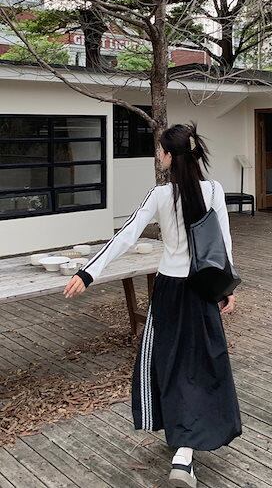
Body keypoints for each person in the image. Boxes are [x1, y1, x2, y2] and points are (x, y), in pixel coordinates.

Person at [63, 123, 242, 488]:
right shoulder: (214, 190)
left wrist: (88, 272)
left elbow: (125, 235)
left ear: (168, 155)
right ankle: (186, 450)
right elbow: (223, 243)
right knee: (202, 364)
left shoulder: (160, 195)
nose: (157, 155)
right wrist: (228, 286)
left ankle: (182, 453)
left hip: (170, 290)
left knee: (169, 364)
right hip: (203, 289)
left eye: (159, 150)